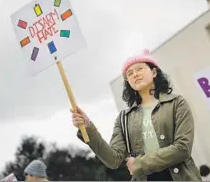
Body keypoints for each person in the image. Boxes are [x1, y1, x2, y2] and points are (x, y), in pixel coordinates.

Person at [71, 50, 202, 181]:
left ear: (154, 72)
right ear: (128, 81)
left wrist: (140, 164)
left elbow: (183, 148)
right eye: (130, 73)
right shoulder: (124, 118)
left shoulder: (177, 103)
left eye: (140, 69)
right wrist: (87, 127)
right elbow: (113, 160)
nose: (135, 74)